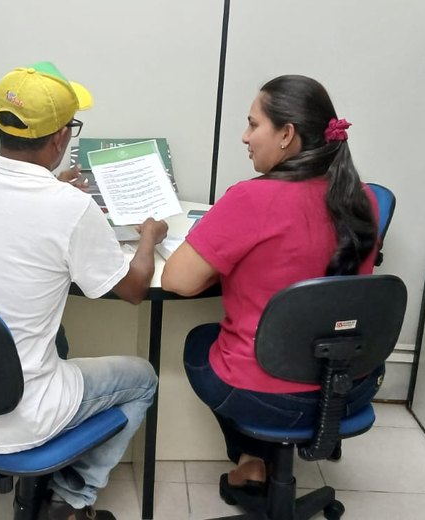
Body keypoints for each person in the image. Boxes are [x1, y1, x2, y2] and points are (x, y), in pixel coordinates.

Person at [0, 61, 165, 520]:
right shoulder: (69, 208)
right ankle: (71, 502)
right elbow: (133, 289)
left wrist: (50, 187)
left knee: (54, 341)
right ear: (59, 138)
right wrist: (149, 235)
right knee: (142, 379)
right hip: (19, 414)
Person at [161, 75, 382, 495]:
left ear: (286, 134)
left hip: (270, 397)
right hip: (349, 389)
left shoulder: (251, 199)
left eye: (253, 125)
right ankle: (256, 462)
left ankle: (251, 459)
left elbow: (178, 280)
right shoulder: (363, 198)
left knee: (201, 343)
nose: (245, 137)